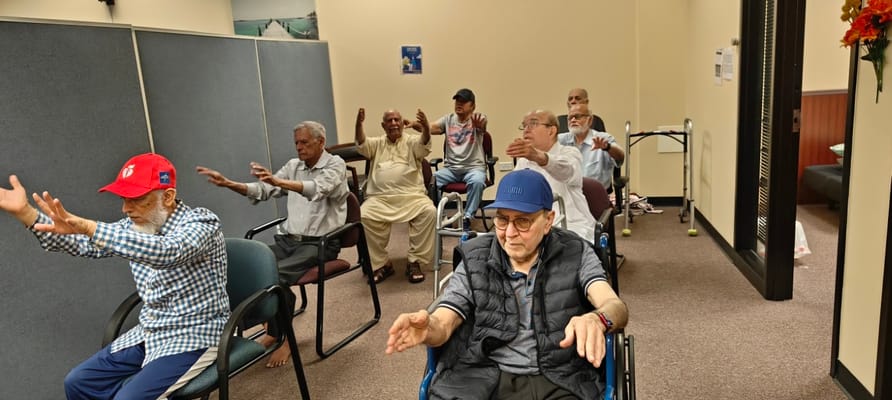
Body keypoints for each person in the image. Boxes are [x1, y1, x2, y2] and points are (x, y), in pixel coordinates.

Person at [0, 153, 229, 400]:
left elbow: (170, 251)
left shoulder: (202, 222)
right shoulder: (131, 226)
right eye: (123, 199)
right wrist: (27, 214)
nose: (125, 209)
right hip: (152, 330)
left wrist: (90, 227)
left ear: (168, 196)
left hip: (197, 333)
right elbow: (81, 243)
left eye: (136, 199)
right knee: (77, 382)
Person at [385, 169, 628, 400]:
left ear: (548, 221)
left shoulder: (576, 252)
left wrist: (598, 319)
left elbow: (614, 306)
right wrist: (429, 329)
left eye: (523, 221)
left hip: (560, 376)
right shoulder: (475, 258)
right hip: (483, 375)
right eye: (502, 220)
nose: (509, 233)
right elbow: (445, 321)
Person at [196, 120, 348, 368]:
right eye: (296, 143)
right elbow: (264, 189)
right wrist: (229, 183)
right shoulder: (293, 166)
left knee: (274, 278)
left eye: (304, 142)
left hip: (320, 244)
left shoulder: (335, 165)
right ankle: (274, 329)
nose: (299, 147)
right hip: (288, 240)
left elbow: (317, 189)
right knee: (246, 271)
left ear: (321, 142)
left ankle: (285, 338)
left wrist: (279, 183)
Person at [355, 107, 436, 284]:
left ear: (402, 123)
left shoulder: (412, 141)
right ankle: (381, 264)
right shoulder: (377, 143)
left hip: (412, 196)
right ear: (383, 126)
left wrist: (426, 127)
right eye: (389, 121)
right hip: (380, 198)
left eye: (396, 120)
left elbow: (425, 141)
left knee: (429, 212)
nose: (393, 123)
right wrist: (359, 124)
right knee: (364, 215)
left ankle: (415, 262)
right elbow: (361, 143)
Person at [507, 109, 597, 242]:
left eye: (532, 124)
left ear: (552, 130)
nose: (526, 130)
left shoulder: (570, 153)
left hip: (569, 224)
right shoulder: (523, 161)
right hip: (531, 225)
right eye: (524, 125)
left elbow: (568, 172)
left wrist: (539, 157)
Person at [421, 88, 488, 232]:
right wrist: (416, 124)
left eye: (464, 102)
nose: (459, 104)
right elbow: (431, 128)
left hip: (474, 168)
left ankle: (467, 217)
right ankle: (440, 215)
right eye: (457, 101)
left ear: (472, 106)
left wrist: (480, 127)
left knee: (477, 182)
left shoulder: (478, 118)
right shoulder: (448, 119)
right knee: (430, 180)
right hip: (451, 169)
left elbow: (482, 125)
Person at [558, 102, 625, 190]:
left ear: (589, 120)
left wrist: (607, 147)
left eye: (577, 117)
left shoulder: (603, 138)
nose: (573, 120)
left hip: (595, 196)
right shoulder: (561, 140)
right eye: (570, 118)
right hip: (569, 196)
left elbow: (620, 158)